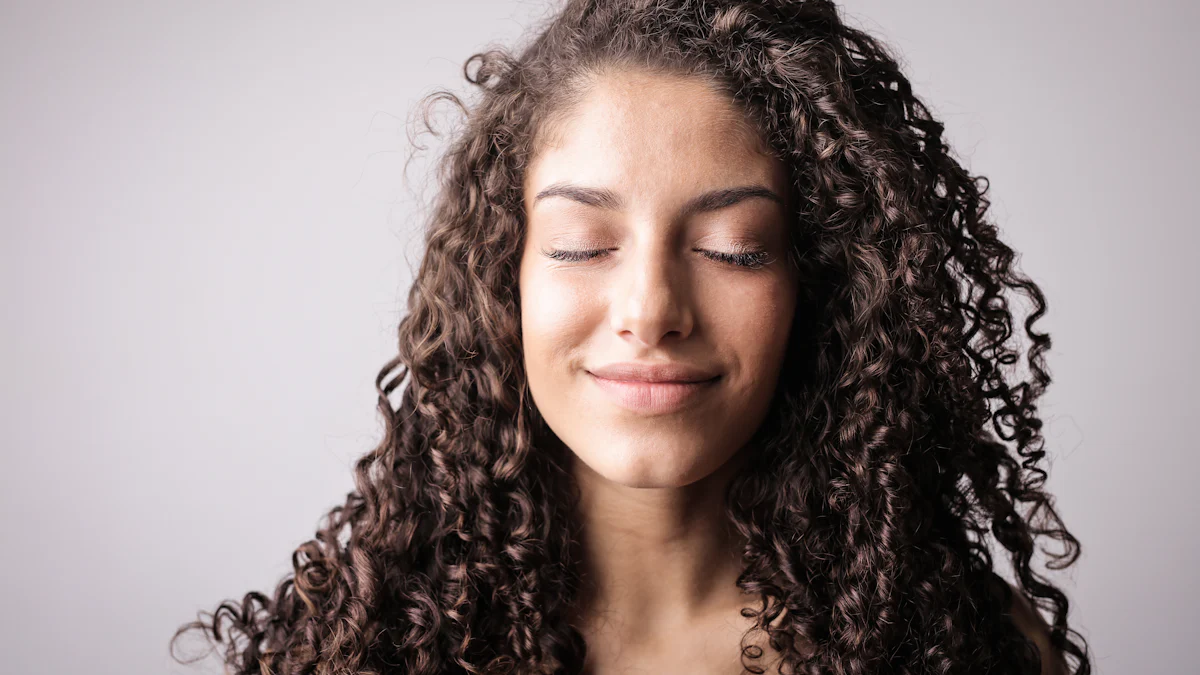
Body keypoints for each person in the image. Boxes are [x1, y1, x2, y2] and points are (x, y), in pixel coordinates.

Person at [171, 1, 1092, 673]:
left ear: (821, 288)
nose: (650, 309)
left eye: (734, 250)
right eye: (581, 244)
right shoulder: (362, 649)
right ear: (503, 280)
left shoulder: (964, 650)